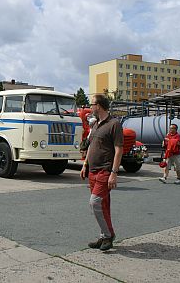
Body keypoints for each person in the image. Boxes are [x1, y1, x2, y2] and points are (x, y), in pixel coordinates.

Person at [80, 94, 123, 251]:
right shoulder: (96, 125)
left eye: (92, 105)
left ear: (99, 106)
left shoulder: (114, 124)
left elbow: (119, 150)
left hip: (105, 170)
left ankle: (107, 235)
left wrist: (114, 173)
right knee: (103, 205)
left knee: (95, 202)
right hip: (93, 171)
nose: (90, 108)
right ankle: (104, 236)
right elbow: (91, 146)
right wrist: (85, 165)